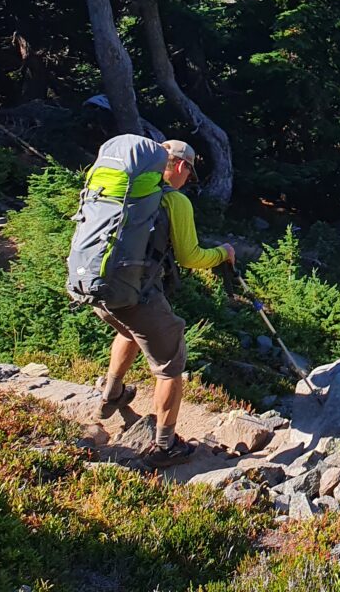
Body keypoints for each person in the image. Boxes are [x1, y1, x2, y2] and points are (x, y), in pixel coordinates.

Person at [92, 139, 235, 467]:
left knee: (129, 330)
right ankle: (165, 445)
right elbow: (190, 257)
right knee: (171, 365)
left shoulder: (122, 189)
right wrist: (223, 254)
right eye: (190, 173)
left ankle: (110, 397)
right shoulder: (175, 201)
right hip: (136, 295)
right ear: (182, 166)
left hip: (99, 287)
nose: (188, 179)